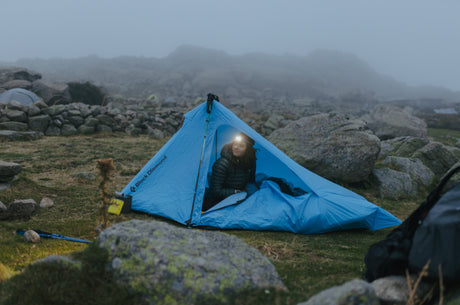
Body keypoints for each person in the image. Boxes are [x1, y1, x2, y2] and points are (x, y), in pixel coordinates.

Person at [202, 133, 257, 211]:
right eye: (235, 144)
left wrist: (248, 192)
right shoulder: (222, 164)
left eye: (241, 146)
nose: (236, 147)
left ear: (247, 149)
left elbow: (251, 181)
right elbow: (215, 192)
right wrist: (236, 192)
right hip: (219, 201)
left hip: (239, 196)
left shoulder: (250, 162)